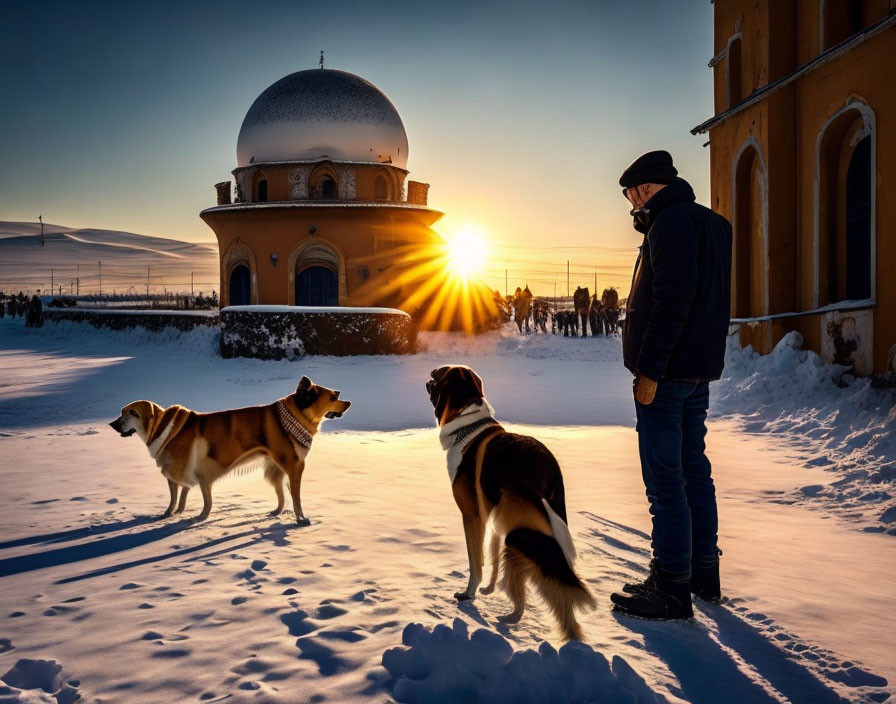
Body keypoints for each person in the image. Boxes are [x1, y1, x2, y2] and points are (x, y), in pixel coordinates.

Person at [610, 150, 732, 620]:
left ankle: (671, 585)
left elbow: (672, 304)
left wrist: (650, 371)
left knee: (665, 481)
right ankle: (703, 573)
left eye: (630, 198)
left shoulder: (670, 225)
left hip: (665, 375)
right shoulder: (714, 225)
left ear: (642, 189)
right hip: (698, 369)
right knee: (693, 471)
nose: (632, 209)